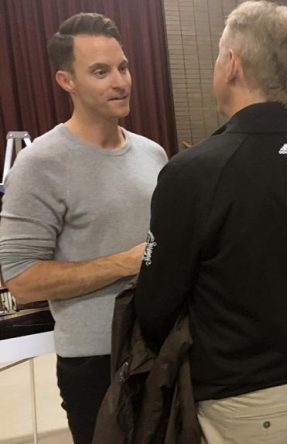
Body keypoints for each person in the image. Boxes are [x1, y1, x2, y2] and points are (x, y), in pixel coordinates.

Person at [133, 2, 287, 443]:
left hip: (249, 408)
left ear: (231, 64)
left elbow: (155, 306)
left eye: (219, 55)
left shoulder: (193, 173)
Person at [0, 13, 167, 444]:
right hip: (94, 362)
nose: (120, 81)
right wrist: (124, 263)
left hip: (159, 345)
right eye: (100, 71)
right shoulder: (40, 165)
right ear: (65, 80)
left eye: (123, 67)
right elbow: (22, 281)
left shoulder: (152, 154)